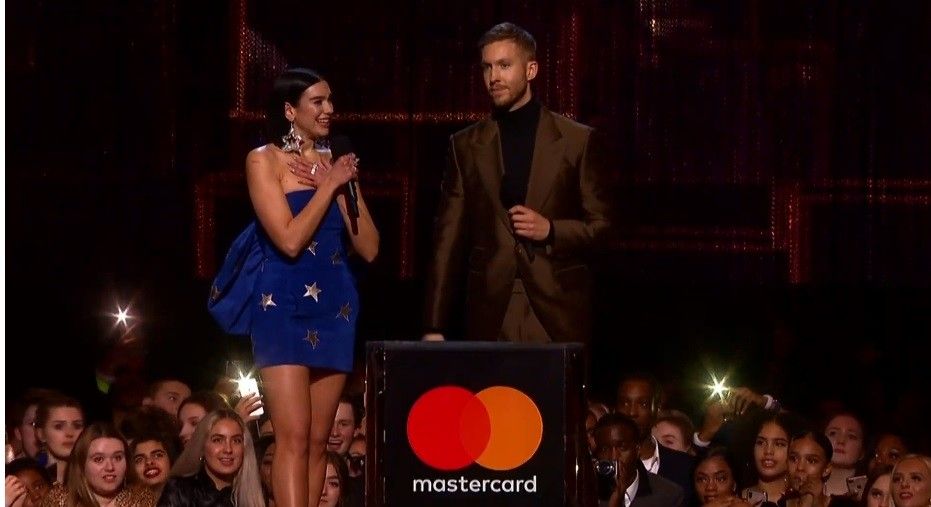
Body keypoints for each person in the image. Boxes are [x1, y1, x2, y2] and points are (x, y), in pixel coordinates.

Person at [209, 66, 379, 507]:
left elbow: (370, 247)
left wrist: (339, 187)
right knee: (294, 436)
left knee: (319, 440)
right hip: (282, 305)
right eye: (317, 102)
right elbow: (288, 239)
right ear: (290, 110)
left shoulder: (337, 162)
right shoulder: (262, 160)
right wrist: (327, 187)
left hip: (335, 307)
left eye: (330, 100)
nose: (329, 109)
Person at [422, 21, 613, 344]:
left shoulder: (576, 141)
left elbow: (602, 228)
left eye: (504, 65)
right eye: (487, 67)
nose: (494, 77)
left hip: (558, 310)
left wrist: (551, 230)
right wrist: (434, 325)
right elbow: (447, 239)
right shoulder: (466, 145)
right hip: (491, 310)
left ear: (531, 70)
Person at [156, 409, 264, 507]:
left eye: (236, 441)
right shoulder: (179, 491)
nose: (228, 449)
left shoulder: (256, 494)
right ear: (202, 446)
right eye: (217, 440)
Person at [40, 422, 156, 507]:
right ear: (82, 464)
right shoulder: (59, 501)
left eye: (117, 458)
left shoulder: (141, 499)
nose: (110, 467)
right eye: (99, 459)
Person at [591, 413, 684, 506]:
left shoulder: (668, 495)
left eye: (622, 448)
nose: (613, 457)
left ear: (637, 449)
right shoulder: (587, 494)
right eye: (604, 449)